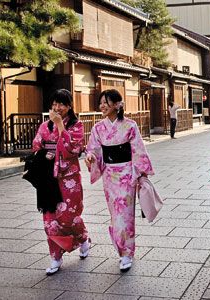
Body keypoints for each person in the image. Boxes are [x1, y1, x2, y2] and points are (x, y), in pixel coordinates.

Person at [85, 89, 154, 272]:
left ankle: (126, 253)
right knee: (115, 215)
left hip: (126, 176)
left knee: (125, 216)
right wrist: (91, 157)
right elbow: (93, 150)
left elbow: (138, 150)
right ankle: (122, 249)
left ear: (117, 104)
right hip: (109, 176)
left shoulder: (130, 126)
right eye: (100, 103)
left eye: (106, 103)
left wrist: (140, 173)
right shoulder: (98, 128)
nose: (102, 106)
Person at [31, 89, 90, 276]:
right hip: (48, 178)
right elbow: (36, 146)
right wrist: (43, 154)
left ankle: (83, 238)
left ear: (69, 106)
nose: (57, 108)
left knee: (69, 217)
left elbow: (73, 149)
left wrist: (60, 126)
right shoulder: (44, 127)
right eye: (54, 104)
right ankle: (55, 257)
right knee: (50, 221)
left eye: (61, 104)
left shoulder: (76, 125)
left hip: (68, 177)